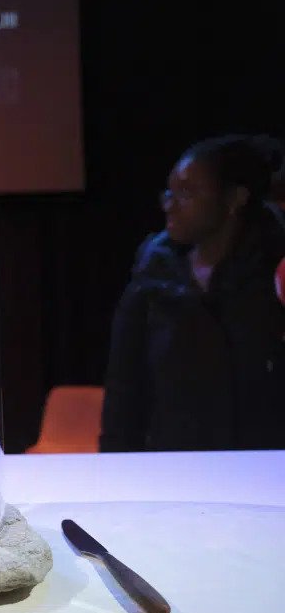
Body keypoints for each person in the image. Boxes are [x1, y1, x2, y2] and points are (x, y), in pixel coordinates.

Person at [100, 134, 285, 451]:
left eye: (187, 193)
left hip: (262, 473)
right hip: (175, 472)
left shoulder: (274, 273)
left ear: (234, 199)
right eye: (169, 192)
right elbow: (124, 391)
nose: (170, 205)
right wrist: (116, 469)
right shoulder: (151, 277)